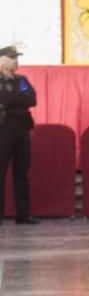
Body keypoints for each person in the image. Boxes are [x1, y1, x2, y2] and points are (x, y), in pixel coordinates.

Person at [0, 45, 38, 226]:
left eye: (17, 57)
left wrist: (8, 100)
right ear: (2, 61)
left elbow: (31, 99)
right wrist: (16, 99)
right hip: (4, 129)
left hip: (22, 129)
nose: (15, 61)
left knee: (22, 172)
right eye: (11, 58)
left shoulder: (22, 80)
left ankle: (23, 215)